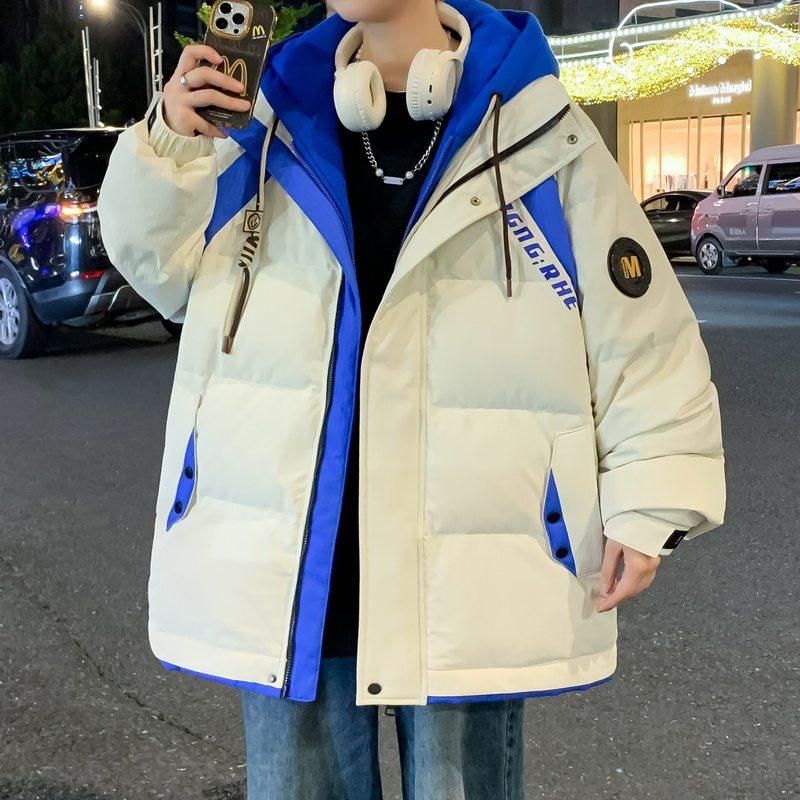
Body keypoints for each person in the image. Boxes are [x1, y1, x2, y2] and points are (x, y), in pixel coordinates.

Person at [97, 0, 726, 797]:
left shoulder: (534, 124)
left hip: (468, 557)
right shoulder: (260, 119)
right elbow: (157, 270)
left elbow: (642, 333)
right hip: (297, 560)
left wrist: (651, 498)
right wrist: (171, 144)